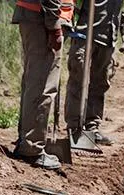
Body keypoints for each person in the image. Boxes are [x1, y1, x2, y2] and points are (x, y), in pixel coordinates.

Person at [11, 0, 73, 170]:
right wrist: (54, 26)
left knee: (34, 82)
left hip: (37, 15)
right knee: (42, 84)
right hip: (43, 18)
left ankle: (26, 141)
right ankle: (31, 148)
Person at [65, 0, 124, 146]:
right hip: (84, 34)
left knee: (100, 84)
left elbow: (123, 8)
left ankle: (92, 127)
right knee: (78, 81)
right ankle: (74, 128)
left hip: (108, 39)